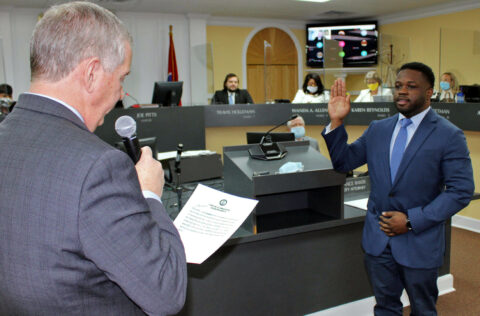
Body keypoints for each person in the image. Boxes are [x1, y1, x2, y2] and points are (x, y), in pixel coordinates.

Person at [0, 2, 187, 315]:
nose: (120, 95)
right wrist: (150, 195)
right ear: (91, 73)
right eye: (122, 78)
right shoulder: (99, 167)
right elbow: (166, 292)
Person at [322, 62, 474, 315]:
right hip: (377, 241)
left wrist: (412, 220)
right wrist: (336, 121)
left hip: (419, 241)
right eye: (399, 85)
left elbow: (460, 190)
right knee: (385, 307)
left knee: (423, 309)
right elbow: (344, 162)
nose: (402, 91)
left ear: (429, 93)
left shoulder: (449, 135)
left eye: (412, 86)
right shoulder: (378, 129)